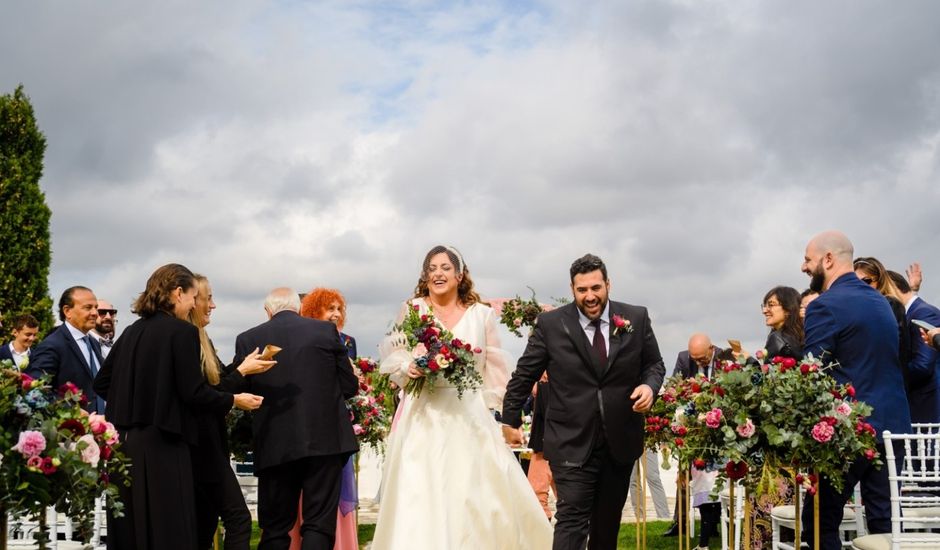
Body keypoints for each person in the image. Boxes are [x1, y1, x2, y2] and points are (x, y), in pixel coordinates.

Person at [374, 245, 552, 549]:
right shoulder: (414, 308)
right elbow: (396, 353)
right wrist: (409, 367)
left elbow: (494, 369)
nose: (438, 273)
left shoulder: (481, 314)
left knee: (473, 491)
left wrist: (503, 417)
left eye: (445, 267)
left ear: (459, 275)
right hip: (424, 414)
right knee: (421, 490)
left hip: (468, 412)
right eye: (431, 268)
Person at [93, 264, 263, 549]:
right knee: (170, 528)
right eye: (193, 297)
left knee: (134, 530)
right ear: (177, 292)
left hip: (127, 446)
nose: (194, 304)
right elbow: (193, 392)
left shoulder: (132, 332)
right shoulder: (181, 332)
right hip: (166, 445)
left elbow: (101, 383)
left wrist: (138, 401)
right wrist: (234, 399)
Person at [503, 253, 666, 550]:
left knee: (606, 526)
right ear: (572, 289)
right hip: (570, 439)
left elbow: (654, 364)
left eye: (596, 288)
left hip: (620, 440)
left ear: (608, 285)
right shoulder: (551, 324)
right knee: (572, 519)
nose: (590, 296)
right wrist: (510, 420)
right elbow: (524, 374)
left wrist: (649, 386)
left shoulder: (636, 318)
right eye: (582, 290)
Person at [800, 231, 911, 549]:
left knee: (819, 525)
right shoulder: (882, 302)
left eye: (808, 259)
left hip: (847, 430)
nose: (804, 267)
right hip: (892, 426)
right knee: (884, 524)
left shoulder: (826, 306)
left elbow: (813, 372)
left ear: (828, 259)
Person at [233, 288, 359, 550]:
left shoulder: (247, 339)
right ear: (299, 309)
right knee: (318, 523)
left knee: (276, 527)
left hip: (275, 443)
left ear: (268, 312)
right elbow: (349, 385)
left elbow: (240, 391)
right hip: (325, 441)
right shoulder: (324, 332)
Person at [187, 275, 276, 550]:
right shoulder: (187, 340)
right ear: (192, 301)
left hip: (209, 446)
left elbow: (218, 379)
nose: (213, 305)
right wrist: (241, 375)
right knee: (238, 519)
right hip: (202, 448)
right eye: (208, 298)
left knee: (204, 525)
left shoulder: (202, 338)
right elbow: (204, 395)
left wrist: (244, 365)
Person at [289, 288, 359, 550]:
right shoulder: (300, 338)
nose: (336, 314)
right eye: (329, 308)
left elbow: (348, 385)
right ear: (313, 310)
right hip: (307, 429)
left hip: (336, 424)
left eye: (339, 308)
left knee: (335, 492)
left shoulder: (348, 341)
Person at [664, 333, 728, 537]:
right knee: (685, 474)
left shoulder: (726, 357)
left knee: (716, 477)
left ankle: (715, 523)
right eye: (695, 359)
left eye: (702, 358)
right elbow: (673, 389)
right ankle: (680, 522)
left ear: (712, 349)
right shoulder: (684, 359)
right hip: (692, 427)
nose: (698, 362)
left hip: (720, 429)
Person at [27, 286, 106, 413]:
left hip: (102, 427)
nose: (95, 313)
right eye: (88, 307)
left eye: (96, 307)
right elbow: (35, 392)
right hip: (70, 429)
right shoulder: (52, 345)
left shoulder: (94, 343)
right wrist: (72, 410)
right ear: (67, 311)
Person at [886, 271, 940, 424]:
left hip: (929, 407)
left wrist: (891, 378)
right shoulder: (913, 312)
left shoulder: (922, 313)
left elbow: (922, 365)